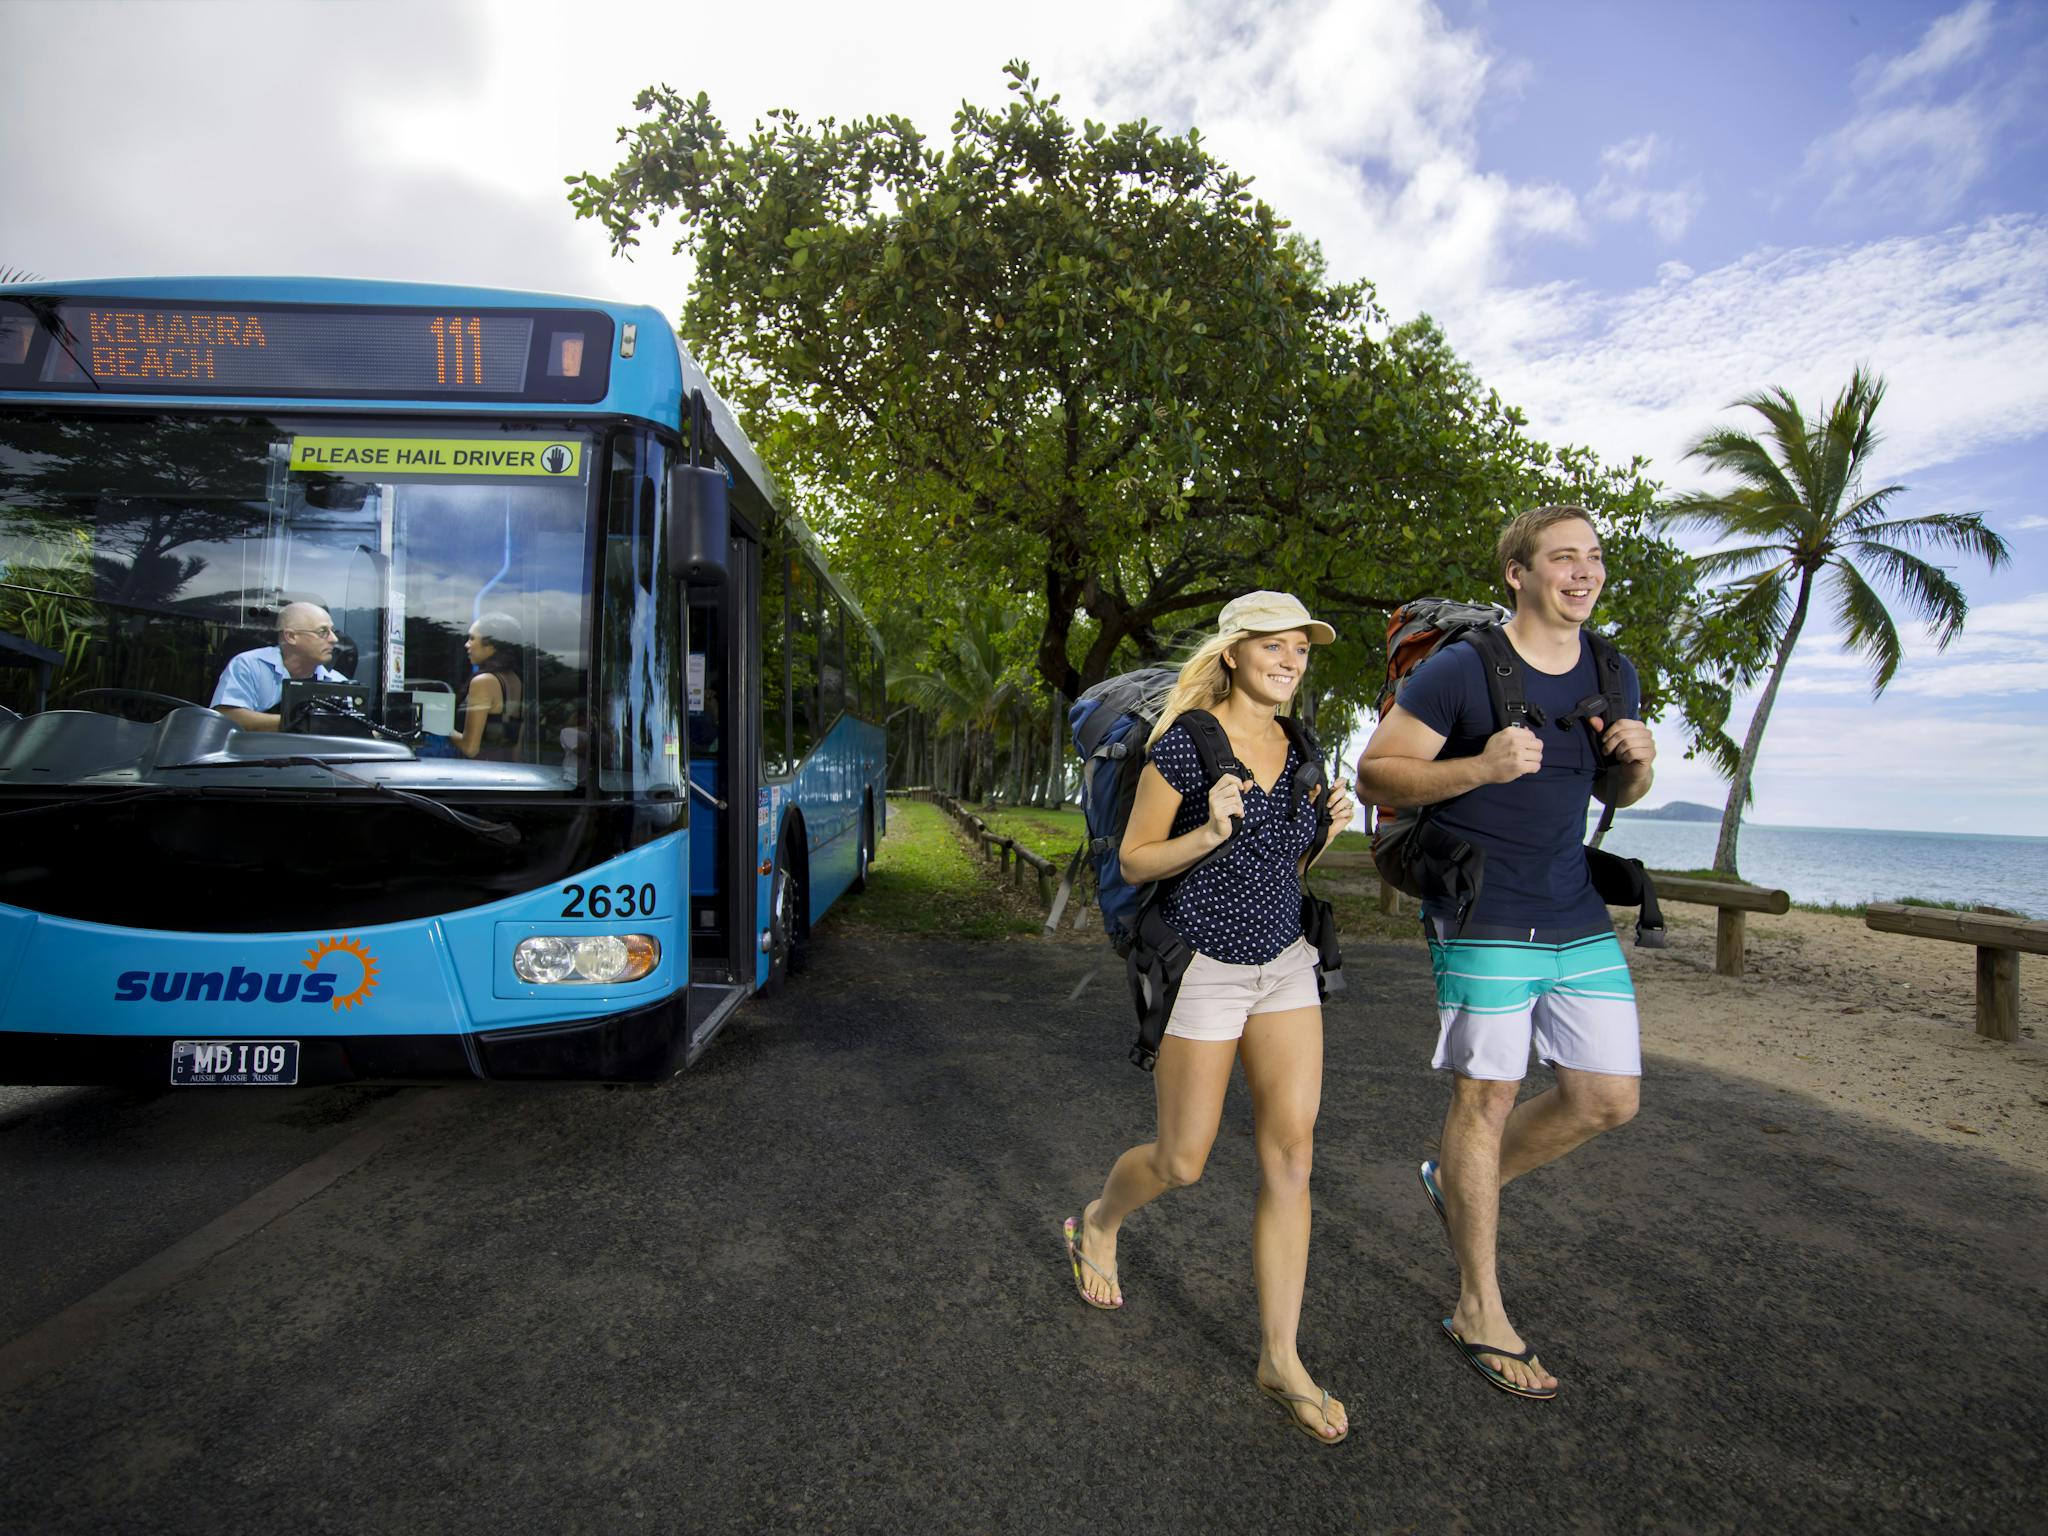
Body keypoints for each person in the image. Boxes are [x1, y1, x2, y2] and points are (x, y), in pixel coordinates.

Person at [1356, 505, 1656, 1401]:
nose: (1583, 571)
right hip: (1481, 904)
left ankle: (1453, 1180)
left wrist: (1638, 764)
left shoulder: (1613, 669)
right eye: (1562, 557)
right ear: (1517, 575)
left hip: (1573, 905)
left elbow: (1620, 786)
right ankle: (1479, 1306)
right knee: (1485, 1096)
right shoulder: (1462, 670)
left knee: (1608, 1099)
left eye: (1593, 558)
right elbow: (1378, 773)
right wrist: (1481, 767)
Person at [1063, 591, 1357, 1445]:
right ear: (1232, 652)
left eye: (1301, 649)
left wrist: (1326, 831)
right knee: (1184, 1162)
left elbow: (1282, 862)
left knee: (1292, 1154)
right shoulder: (1189, 744)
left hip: (1286, 966)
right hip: (1206, 970)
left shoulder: (1300, 744)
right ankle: (1101, 1221)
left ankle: (1280, 1357)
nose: (1290, 660)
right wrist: (1207, 832)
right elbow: (1137, 856)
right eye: (1273, 646)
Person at [210, 602, 347, 731]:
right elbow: (227, 718)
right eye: (322, 632)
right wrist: (304, 723)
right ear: (291, 636)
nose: (334, 639)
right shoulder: (249, 666)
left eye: (333, 630)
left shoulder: (340, 683)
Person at [452, 611, 525, 761]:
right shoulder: (514, 679)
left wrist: (440, 728)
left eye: (472, 638)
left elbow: (470, 748)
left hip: (479, 772)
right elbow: (516, 745)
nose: (467, 644)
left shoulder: (484, 681)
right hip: (505, 770)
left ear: (491, 644)